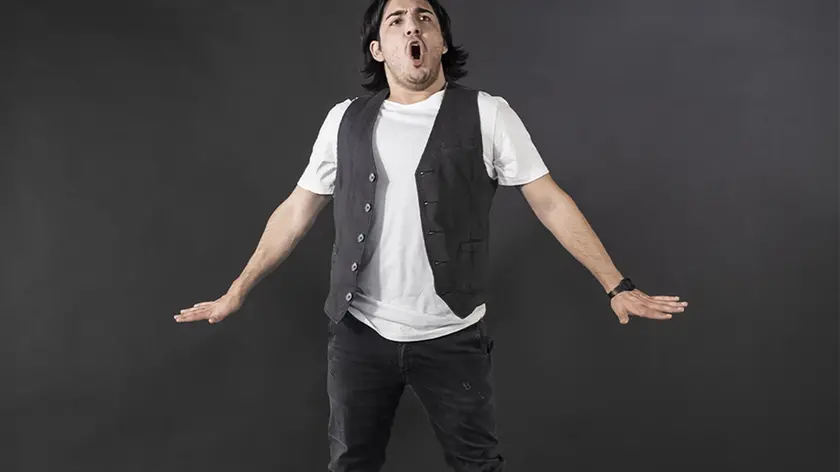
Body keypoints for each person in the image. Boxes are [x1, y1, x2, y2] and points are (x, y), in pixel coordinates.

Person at [174, 0, 689, 470]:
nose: (412, 28)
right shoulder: (343, 121)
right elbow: (296, 209)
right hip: (359, 333)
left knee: (477, 465)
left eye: (425, 18)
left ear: (441, 41)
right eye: (396, 21)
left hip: (453, 332)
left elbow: (549, 201)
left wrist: (616, 285)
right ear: (378, 49)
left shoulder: (488, 113)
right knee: (351, 464)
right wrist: (237, 290)